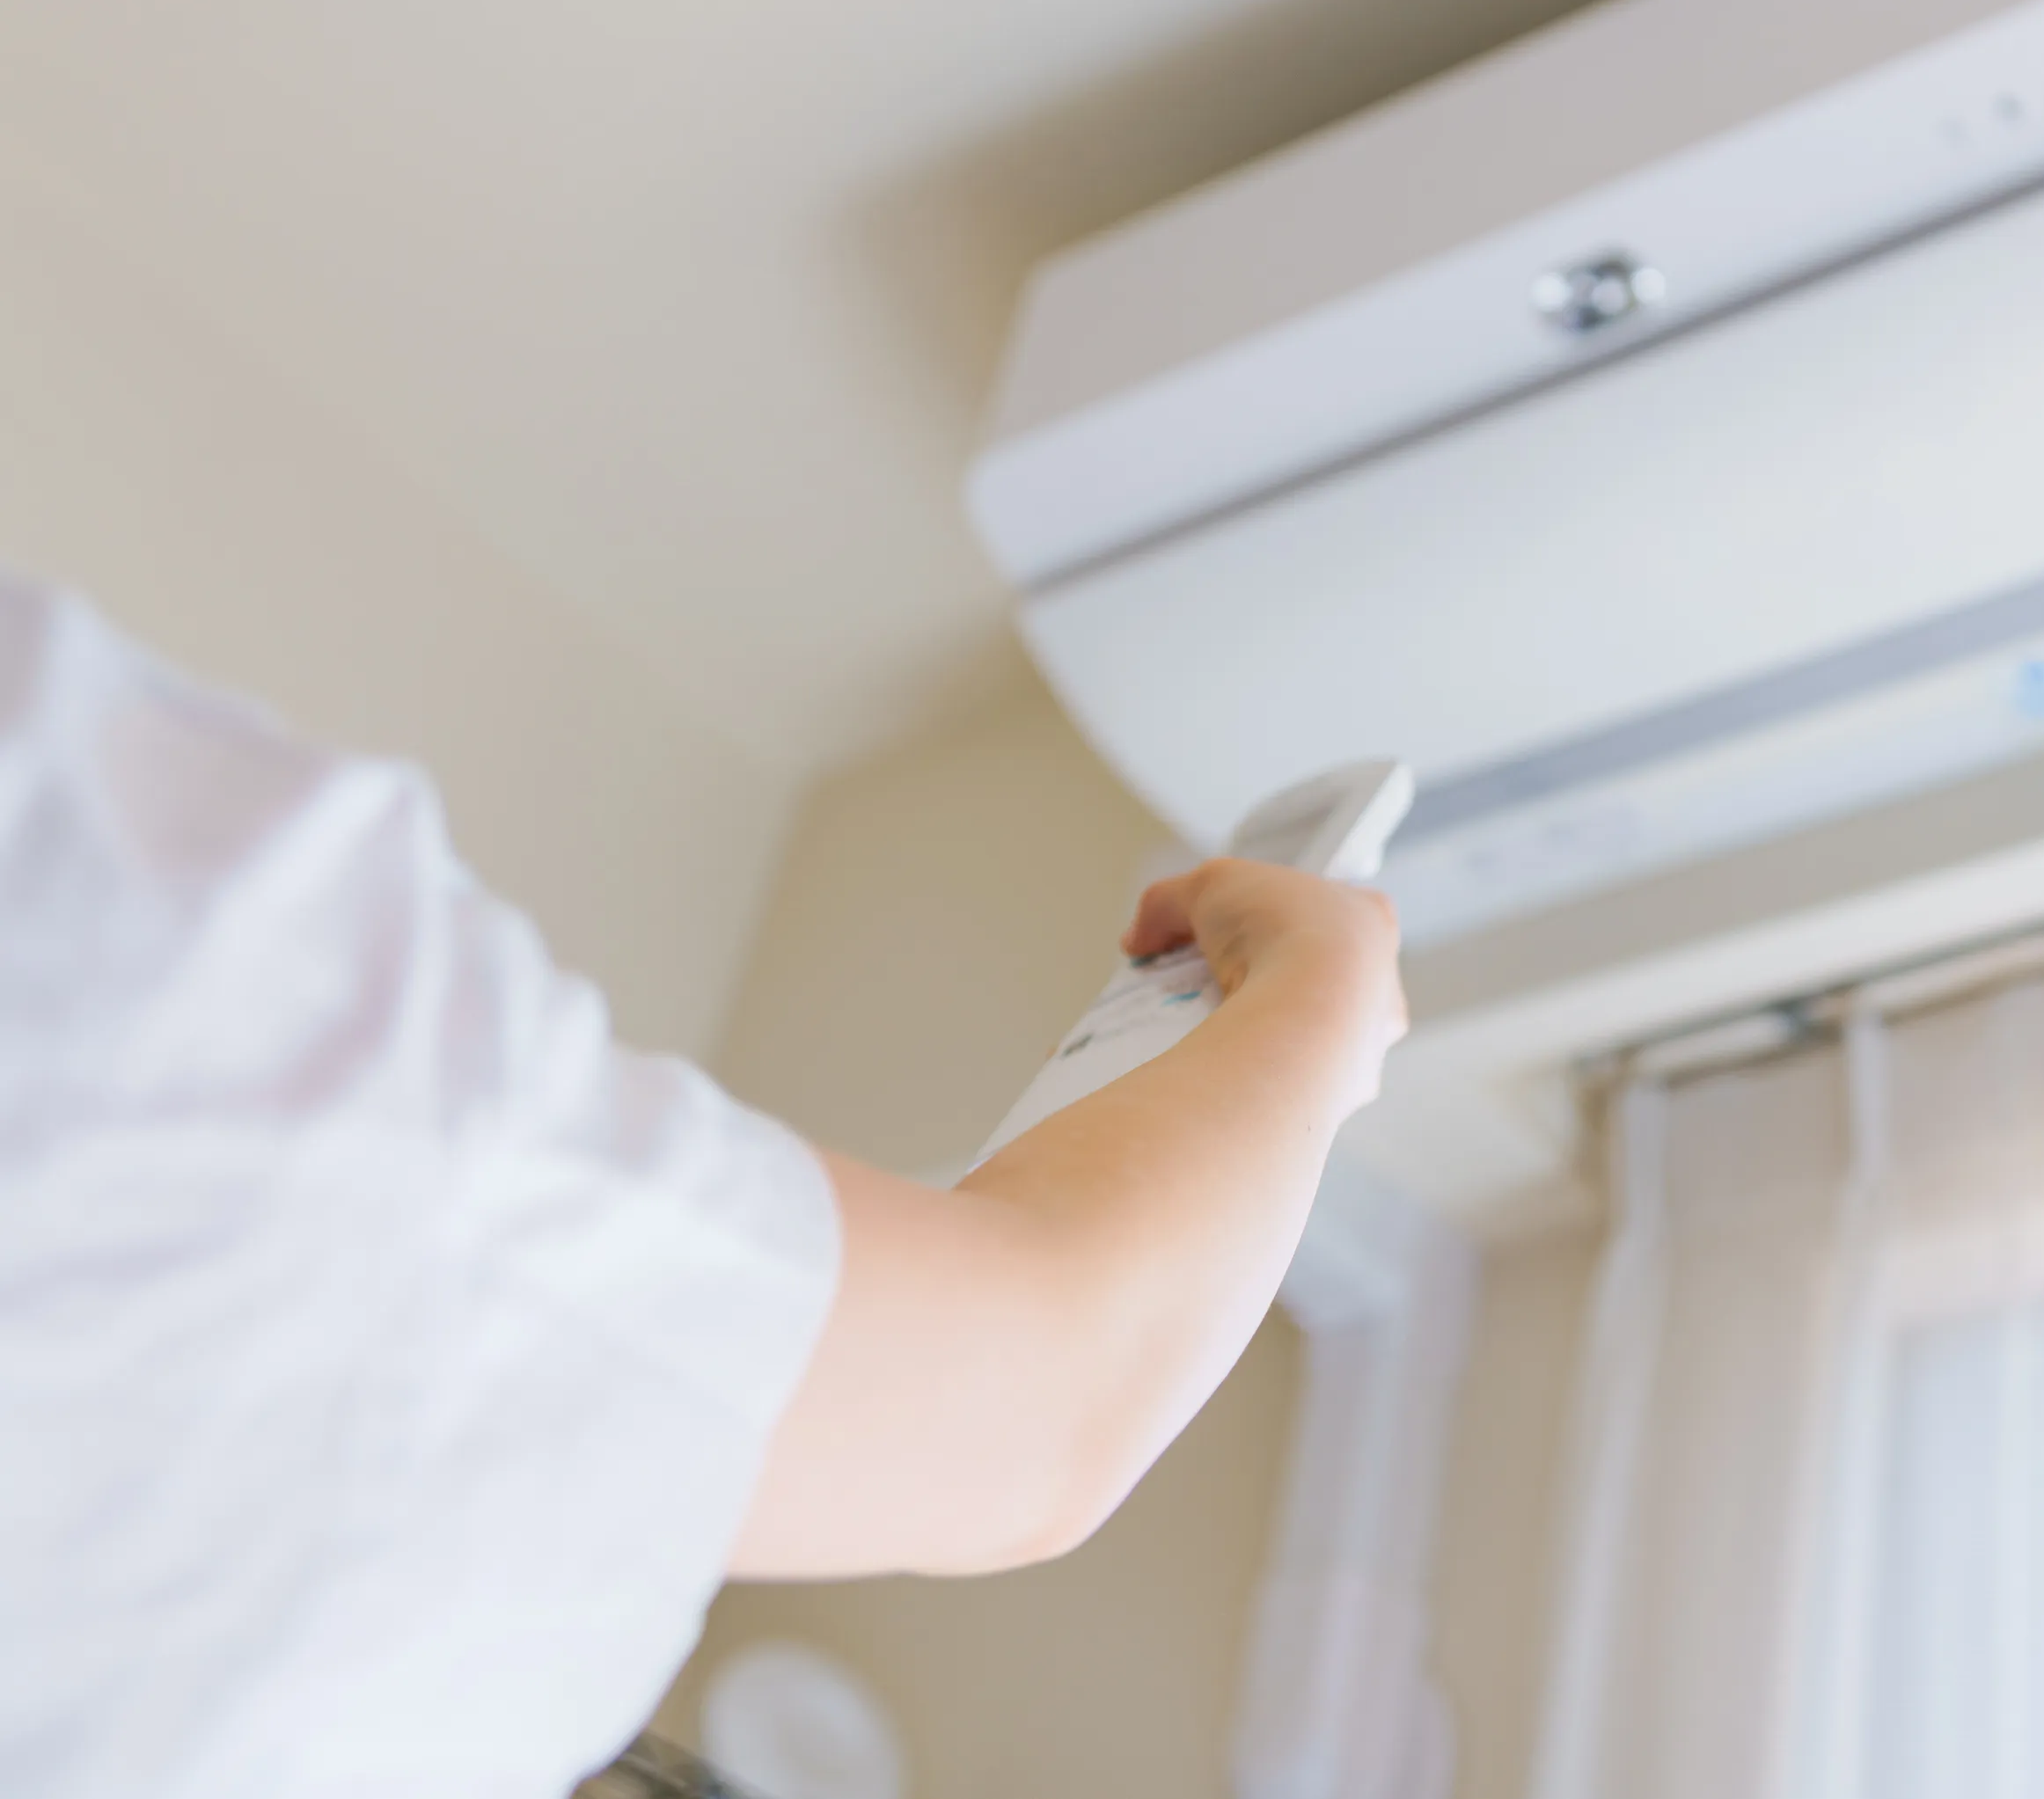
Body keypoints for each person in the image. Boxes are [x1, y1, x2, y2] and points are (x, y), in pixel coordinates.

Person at [0, 567, 1410, 1796]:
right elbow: (1046, 1406)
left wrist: (1312, 1002)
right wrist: (1326, 1000)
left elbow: (1053, 1404)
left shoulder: (172, 971)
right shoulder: (188, 978)